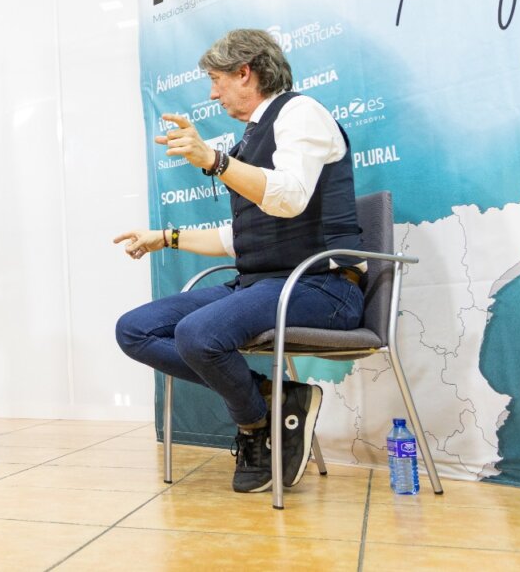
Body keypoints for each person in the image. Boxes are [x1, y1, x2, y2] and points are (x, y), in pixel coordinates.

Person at [113, 28, 364, 494]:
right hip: (262, 285)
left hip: (321, 288)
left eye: (216, 80)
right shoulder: (255, 136)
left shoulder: (301, 114)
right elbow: (243, 237)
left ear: (245, 72)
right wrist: (164, 238)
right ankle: (272, 401)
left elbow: (288, 200)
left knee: (198, 333)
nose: (213, 93)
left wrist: (215, 161)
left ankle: (254, 427)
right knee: (134, 330)